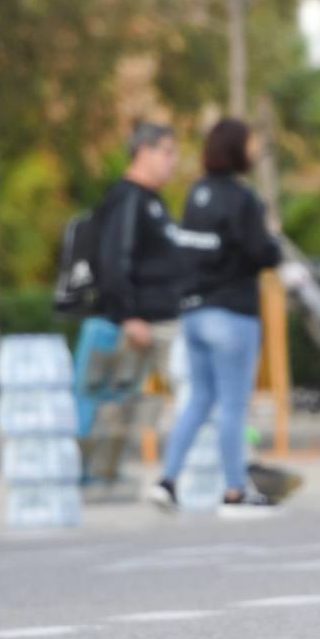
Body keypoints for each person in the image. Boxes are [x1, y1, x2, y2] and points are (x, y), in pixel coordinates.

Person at [147, 118, 284, 514]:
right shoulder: (242, 199)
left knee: (198, 399)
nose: (255, 151)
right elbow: (263, 253)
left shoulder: (196, 194)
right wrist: (271, 236)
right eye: (251, 143)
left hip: (193, 313)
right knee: (231, 404)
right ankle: (235, 491)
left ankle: (168, 480)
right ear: (237, 149)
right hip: (232, 313)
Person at [83, 121, 185, 485]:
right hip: (144, 324)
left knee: (140, 400)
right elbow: (113, 260)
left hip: (164, 320)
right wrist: (129, 315)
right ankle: (95, 474)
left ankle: (105, 473)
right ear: (143, 151)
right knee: (117, 402)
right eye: (167, 152)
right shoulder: (127, 198)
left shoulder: (152, 201)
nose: (173, 162)